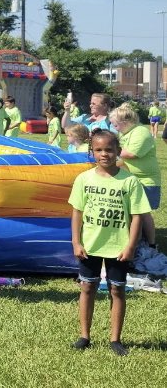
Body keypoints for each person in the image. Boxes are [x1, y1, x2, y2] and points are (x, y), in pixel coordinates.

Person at [68, 130, 148, 356]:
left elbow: (137, 216)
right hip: (90, 245)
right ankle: (84, 336)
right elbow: (77, 213)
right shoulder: (84, 179)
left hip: (119, 247)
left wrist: (130, 246)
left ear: (118, 151)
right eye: (99, 150)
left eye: (109, 150)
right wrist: (76, 242)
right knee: (87, 287)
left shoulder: (130, 181)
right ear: (91, 151)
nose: (104, 154)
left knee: (117, 289)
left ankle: (115, 339)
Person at [109, 105, 159, 248]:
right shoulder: (125, 134)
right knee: (132, 214)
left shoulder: (141, 131)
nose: (115, 128)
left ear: (125, 122)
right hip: (129, 179)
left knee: (143, 213)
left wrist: (109, 150)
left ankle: (151, 244)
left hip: (145, 180)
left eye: (116, 124)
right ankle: (136, 242)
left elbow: (131, 153)